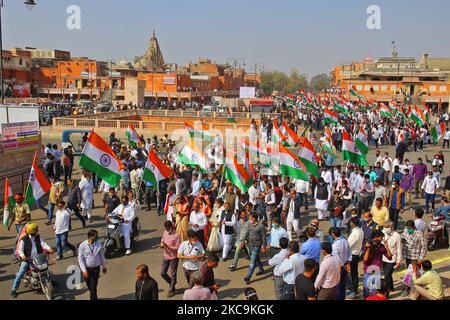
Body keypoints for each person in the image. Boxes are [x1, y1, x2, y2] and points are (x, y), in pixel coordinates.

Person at [11, 223, 54, 298]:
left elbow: (43, 243)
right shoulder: (24, 239)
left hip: (39, 257)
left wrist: (49, 248)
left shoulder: (38, 237)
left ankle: (49, 281)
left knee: (46, 268)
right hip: (28, 259)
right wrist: (23, 256)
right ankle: (14, 290)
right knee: (21, 273)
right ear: (32, 232)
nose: (37, 231)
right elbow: (20, 250)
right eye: (36, 230)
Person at [400, 220, 428, 296]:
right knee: (412, 272)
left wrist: (421, 258)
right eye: (407, 227)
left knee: (410, 272)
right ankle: (415, 286)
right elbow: (402, 238)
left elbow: (424, 246)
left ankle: (407, 288)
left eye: (410, 228)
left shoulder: (419, 233)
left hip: (415, 256)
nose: (409, 229)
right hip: (407, 255)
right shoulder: (405, 231)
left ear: (414, 227)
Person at [362, 229, 393, 298]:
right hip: (368, 271)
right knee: (366, 291)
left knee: (374, 291)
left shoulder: (381, 246)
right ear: (376, 237)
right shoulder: (367, 245)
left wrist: (387, 246)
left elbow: (389, 257)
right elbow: (365, 259)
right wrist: (368, 248)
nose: (382, 239)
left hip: (376, 271)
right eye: (381, 237)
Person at [78, 229, 107, 300]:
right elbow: (80, 259)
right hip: (87, 270)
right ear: (90, 236)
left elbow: (101, 255)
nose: (97, 237)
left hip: (96, 269)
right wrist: (84, 271)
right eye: (96, 236)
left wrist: (104, 266)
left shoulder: (98, 244)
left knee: (93, 288)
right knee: (90, 288)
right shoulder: (82, 245)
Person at [242, 212, 267, 284]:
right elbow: (247, 233)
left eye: (250, 217)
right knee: (256, 258)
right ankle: (261, 269)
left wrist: (264, 246)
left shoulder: (261, 226)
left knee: (252, 262)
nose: (249, 219)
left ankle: (248, 276)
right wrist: (242, 241)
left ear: (254, 218)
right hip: (250, 245)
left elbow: (264, 237)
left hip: (257, 245)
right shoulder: (250, 224)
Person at [329, 227, 351, 300]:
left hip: (339, 268)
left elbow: (336, 259)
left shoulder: (334, 245)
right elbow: (349, 253)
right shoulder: (345, 240)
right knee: (343, 286)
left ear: (333, 234)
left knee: (338, 287)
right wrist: (348, 263)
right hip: (345, 266)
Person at [160, 221, 180, 297]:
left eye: (168, 228)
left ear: (171, 227)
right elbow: (162, 241)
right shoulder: (165, 233)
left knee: (173, 274)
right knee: (162, 273)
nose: (167, 229)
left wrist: (169, 247)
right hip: (166, 256)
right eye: (166, 228)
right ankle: (172, 282)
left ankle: (171, 290)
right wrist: (162, 245)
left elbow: (178, 247)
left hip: (173, 257)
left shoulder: (176, 235)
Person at [382, 220, 403, 295]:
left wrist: (398, 260)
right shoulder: (383, 232)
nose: (385, 228)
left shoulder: (397, 235)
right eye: (384, 227)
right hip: (383, 258)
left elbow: (399, 249)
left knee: (387, 275)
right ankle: (391, 287)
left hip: (392, 259)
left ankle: (386, 292)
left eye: (387, 227)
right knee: (387, 274)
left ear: (391, 227)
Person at [347, 217, 364, 299]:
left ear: (352, 223)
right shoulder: (360, 231)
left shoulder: (355, 233)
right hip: (356, 254)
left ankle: (353, 290)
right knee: (354, 273)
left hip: (352, 255)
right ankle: (355, 289)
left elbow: (348, 245)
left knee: (350, 274)